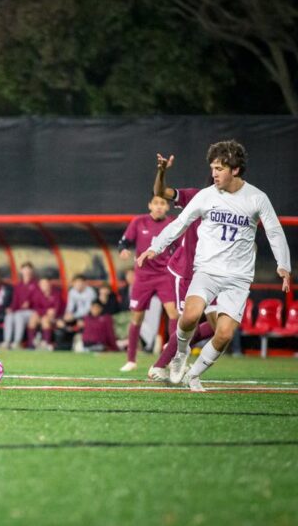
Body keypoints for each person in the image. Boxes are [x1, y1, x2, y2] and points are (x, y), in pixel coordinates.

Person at [138, 140, 291, 391]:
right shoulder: (205, 195)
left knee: (224, 335)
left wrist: (283, 265)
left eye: (219, 168)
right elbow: (180, 223)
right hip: (206, 271)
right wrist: (156, 247)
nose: (214, 173)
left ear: (235, 170)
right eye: (213, 168)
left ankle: (194, 375)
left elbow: (274, 231)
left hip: (238, 278)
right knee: (189, 317)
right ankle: (179, 356)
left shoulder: (257, 198)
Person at [147, 152, 217, 382]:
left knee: (223, 325)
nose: (218, 173)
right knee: (186, 321)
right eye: (216, 169)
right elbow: (161, 191)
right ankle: (161, 364)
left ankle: (177, 348)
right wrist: (162, 170)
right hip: (186, 271)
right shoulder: (197, 197)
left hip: (216, 272)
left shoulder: (239, 206)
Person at [117, 195, 179, 372]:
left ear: (167, 207)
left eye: (163, 204)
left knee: (173, 313)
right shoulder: (138, 222)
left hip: (165, 274)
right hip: (143, 276)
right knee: (136, 317)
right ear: (149, 205)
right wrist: (123, 250)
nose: (159, 207)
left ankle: (172, 354)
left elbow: (180, 246)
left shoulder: (172, 223)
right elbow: (124, 242)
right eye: (156, 203)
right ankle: (131, 359)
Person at [1, 262, 37, 349]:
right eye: (25, 269)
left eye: (29, 270)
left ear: (32, 271)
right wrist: (10, 309)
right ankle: (7, 341)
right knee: (9, 316)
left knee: (18, 315)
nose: (27, 272)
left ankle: (17, 342)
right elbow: (15, 301)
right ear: (21, 271)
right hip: (19, 311)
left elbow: (38, 300)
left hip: (32, 311)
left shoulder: (35, 284)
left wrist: (30, 302)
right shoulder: (18, 285)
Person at [27, 276, 63, 350]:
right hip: (42, 315)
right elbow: (36, 308)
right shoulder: (38, 294)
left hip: (55, 318)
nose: (44, 286)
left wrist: (47, 312)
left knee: (45, 320)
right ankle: (31, 344)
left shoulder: (56, 293)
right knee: (33, 318)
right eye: (42, 284)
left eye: (45, 283)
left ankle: (46, 343)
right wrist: (46, 311)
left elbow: (56, 310)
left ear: (49, 283)